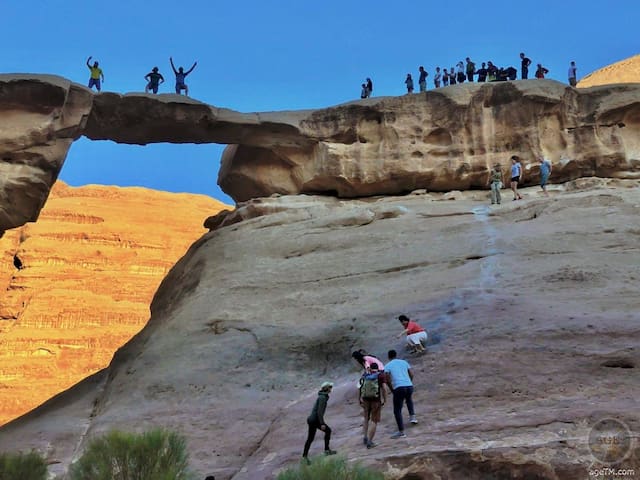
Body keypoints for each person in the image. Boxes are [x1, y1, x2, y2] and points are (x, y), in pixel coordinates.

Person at [302, 381, 337, 462]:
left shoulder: (322, 396)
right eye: (330, 387)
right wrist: (322, 423)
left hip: (312, 419)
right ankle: (326, 450)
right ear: (327, 388)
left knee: (310, 438)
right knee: (327, 431)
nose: (331, 389)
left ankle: (305, 456)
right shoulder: (322, 398)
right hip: (315, 420)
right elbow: (319, 412)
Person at [386, 349, 417, 438]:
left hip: (398, 387)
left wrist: (392, 389)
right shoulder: (404, 362)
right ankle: (413, 417)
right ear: (396, 355)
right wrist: (409, 382)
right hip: (409, 385)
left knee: (397, 410)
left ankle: (401, 432)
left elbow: (387, 378)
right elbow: (411, 374)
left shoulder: (388, 365)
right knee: (409, 400)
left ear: (389, 357)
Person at [358, 362, 387, 449]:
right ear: (378, 368)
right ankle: (370, 442)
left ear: (370, 368)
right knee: (374, 420)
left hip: (366, 400)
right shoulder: (380, 375)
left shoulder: (365, 375)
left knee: (366, 418)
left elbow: (360, 387)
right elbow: (384, 388)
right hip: (375, 400)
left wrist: (359, 398)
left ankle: (365, 437)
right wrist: (385, 400)